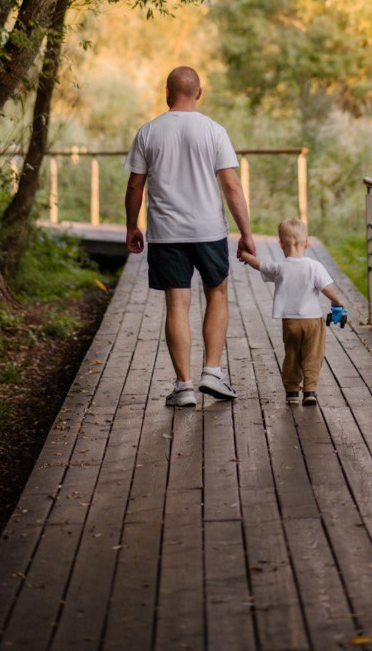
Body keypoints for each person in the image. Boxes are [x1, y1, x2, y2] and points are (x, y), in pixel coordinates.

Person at [124, 65, 254, 408]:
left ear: (166, 93)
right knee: (218, 294)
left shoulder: (148, 132)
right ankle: (212, 371)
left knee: (176, 304)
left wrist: (131, 225)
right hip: (208, 230)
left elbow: (135, 185)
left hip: (166, 233)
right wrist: (246, 232)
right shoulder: (214, 131)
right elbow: (231, 185)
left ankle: (183, 386)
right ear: (199, 93)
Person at [240, 217, 342, 406]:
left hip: (290, 321)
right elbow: (326, 288)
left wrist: (244, 253)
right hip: (312, 321)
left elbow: (258, 264)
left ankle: (292, 391)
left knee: (292, 354)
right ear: (306, 243)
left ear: (280, 244)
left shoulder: (280, 268)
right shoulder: (314, 266)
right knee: (313, 355)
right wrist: (338, 302)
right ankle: (310, 390)